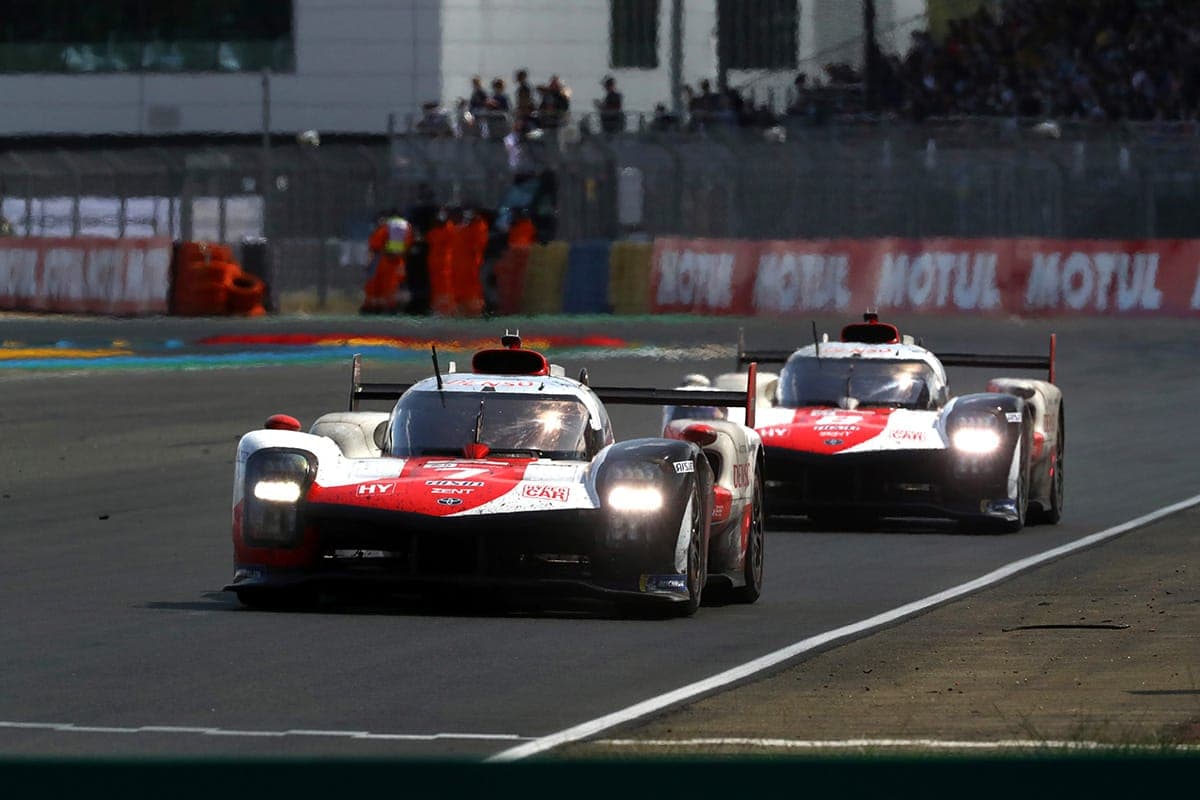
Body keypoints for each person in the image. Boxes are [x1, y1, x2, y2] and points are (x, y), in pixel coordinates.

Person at [362, 208, 413, 314]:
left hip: (387, 262)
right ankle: (392, 308)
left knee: (382, 287)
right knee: (392, 288)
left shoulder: (388, 227)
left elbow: (376, 247)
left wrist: (369, 261)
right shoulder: (406, 227)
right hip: (397, 262)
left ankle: (379, 308)